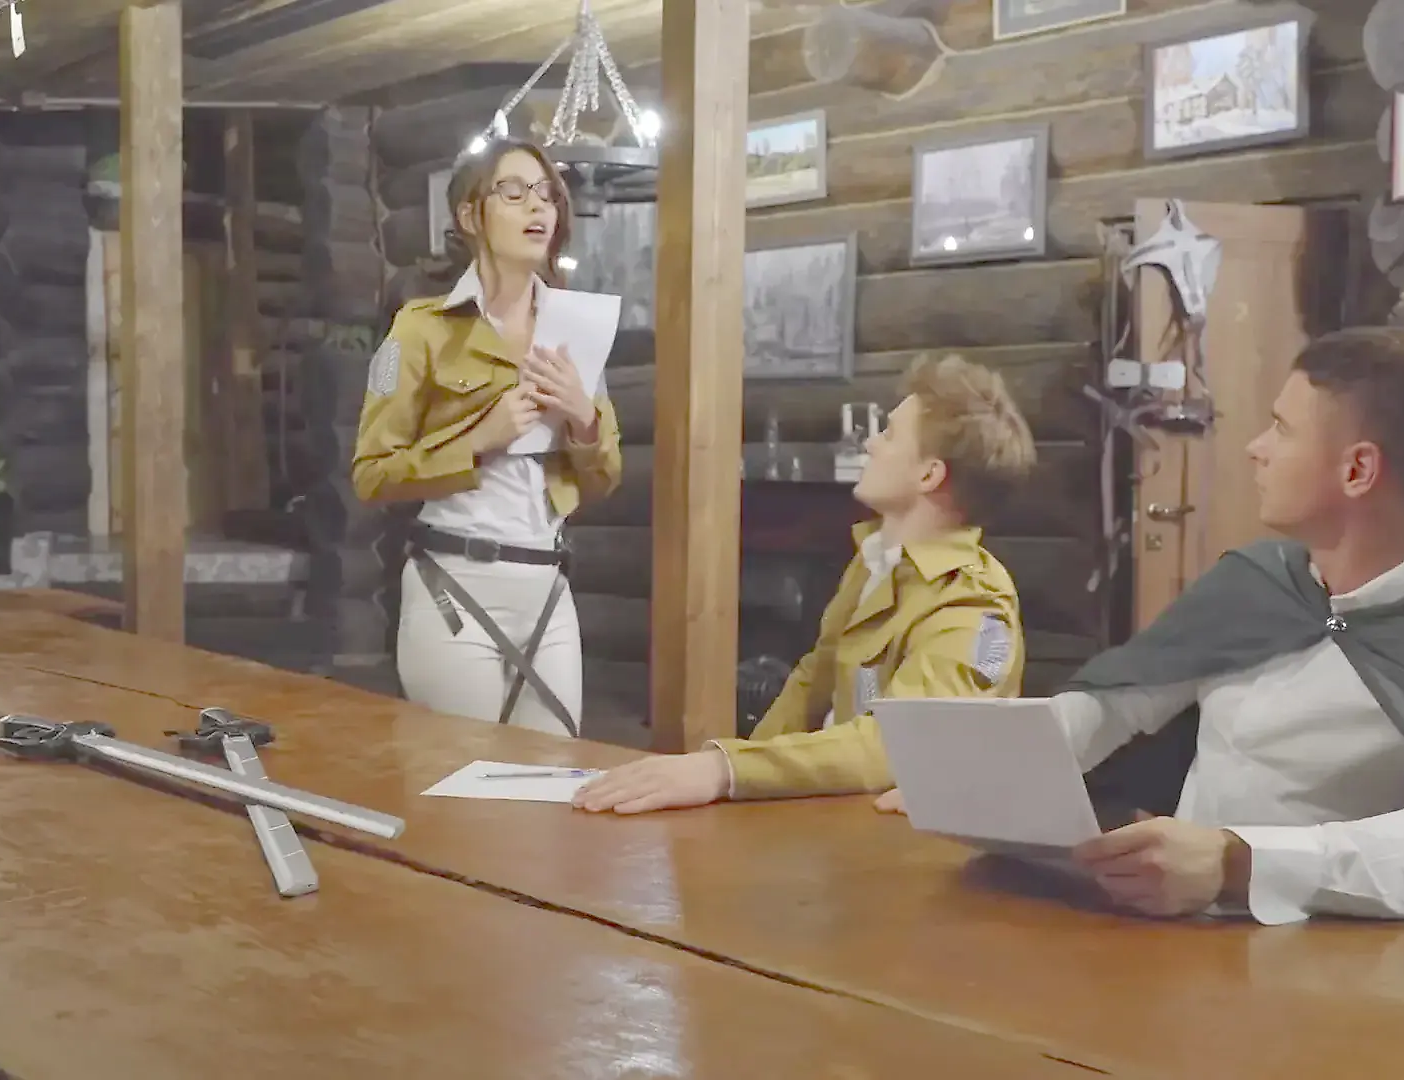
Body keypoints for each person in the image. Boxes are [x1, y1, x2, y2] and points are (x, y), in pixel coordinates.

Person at [1029, 326, 1404, 926]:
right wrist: (984, 770)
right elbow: (1113, 706)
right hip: (1176, 938)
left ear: (1357, 470)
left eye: (1282, 428)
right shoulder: (1261, 583)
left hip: (1335, 962)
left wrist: (1240, 861)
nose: (1256, 448)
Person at [572, 353, 1038, 815]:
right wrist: (727, 782)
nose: (871, 444)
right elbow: (813, 680)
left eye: (889, 434)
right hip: (838, 817)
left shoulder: (972, 603)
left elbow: (897, 748)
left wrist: (725, 770)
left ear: (929, 474)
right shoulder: (877, 559)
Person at [351, 138, 622, 738]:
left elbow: (604, 478)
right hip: (454, 584)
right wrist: (481, 439)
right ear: (470, 216)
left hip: (548, 589)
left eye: (547, 194)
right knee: (462, 780)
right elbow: (372, 474)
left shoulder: (576, 328)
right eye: (514, 192)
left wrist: (584, 419)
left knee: (553, 776)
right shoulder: (419, 329)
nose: (539, 206)